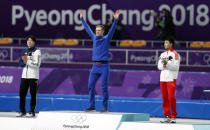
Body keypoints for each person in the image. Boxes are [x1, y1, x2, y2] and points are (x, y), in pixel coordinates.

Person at [80, 10, 120, 112]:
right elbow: (87, 28)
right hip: (95, 67)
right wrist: (81, 19)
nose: (97, 32)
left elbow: (112, 30)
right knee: (90, 86)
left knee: (104, 87)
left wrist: (115, 20)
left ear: (103, 32)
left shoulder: (106, 38)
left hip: (104, 66)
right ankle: (92, 106)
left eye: (99, 30)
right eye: (96, 30)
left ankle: (104, 107)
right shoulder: (94, 37)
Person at [16, 35, 41, 117]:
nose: (29, 42)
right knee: (22, 93)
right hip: (24, 76)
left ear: (34, 42)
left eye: (31, 40)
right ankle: (22, 111)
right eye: (28, 41)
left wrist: (28, 61)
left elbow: (37, 64)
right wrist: (24, 62)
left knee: (33, 94)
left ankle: (32, 111)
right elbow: (20, 63)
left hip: (33, 76)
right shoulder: (24, 51)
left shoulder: (37, 51)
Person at [157, 37, 180, 123]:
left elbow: (176, 67)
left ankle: (173, 116)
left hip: (171, 78)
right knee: (164, 98)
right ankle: (167, 116)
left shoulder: (175, 54)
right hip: (162, 79)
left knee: (171, 97)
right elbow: (159, 66)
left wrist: (167, 65)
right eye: (164, 43)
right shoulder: (162, 54)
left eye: (166, 43)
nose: (165, 44)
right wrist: (164, 65)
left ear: (171, 44)